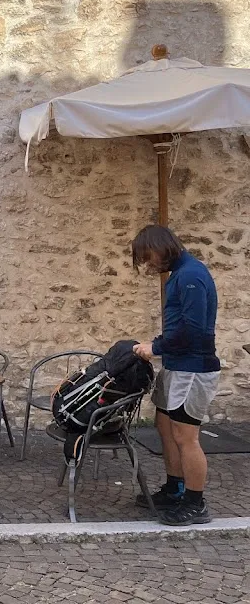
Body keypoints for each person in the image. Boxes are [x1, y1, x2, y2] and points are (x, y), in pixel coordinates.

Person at [131, 224, 220, 526]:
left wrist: (154, 347)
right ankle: (175, 488)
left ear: (162, 246)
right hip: (177, 365)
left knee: (185, 436)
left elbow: (193, 331)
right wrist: (159, 346)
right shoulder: (181, 275)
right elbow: (180, 324)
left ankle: (195, 504)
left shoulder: (191, 276)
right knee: (165, 426)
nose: (149, 264)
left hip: (192, 369)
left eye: (149, 256)